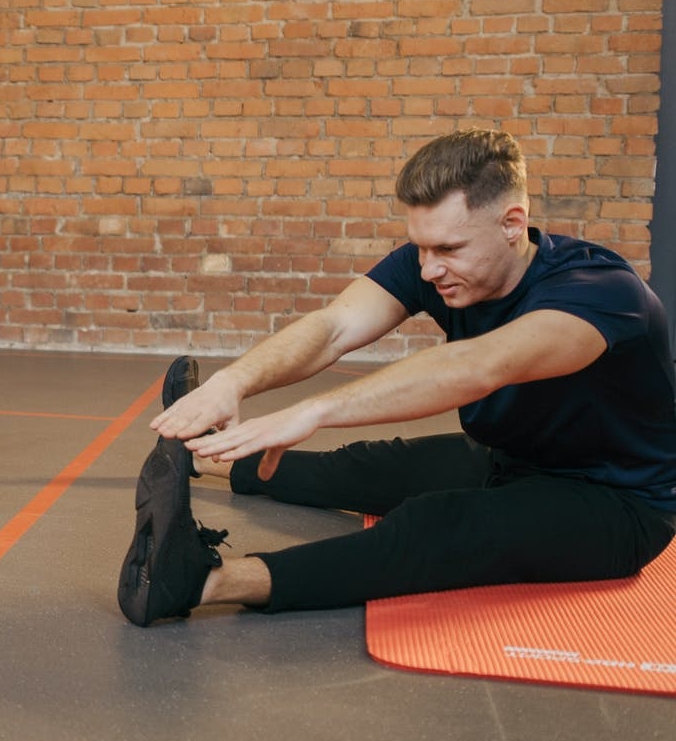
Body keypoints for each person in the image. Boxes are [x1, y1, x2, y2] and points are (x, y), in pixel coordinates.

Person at [120, 127, 676, 626]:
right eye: (421, 248)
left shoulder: (600, 294)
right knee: (360, 466)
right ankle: (197, 456)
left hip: (615, 505)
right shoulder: (434, 263)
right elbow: (334, 326)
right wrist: (233, 383)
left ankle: (197, 581)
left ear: (512, 224)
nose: (429, 269)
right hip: (509, 458)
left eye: (449, 249)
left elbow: (478, 366)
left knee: (435, 526)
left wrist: (310, 410)